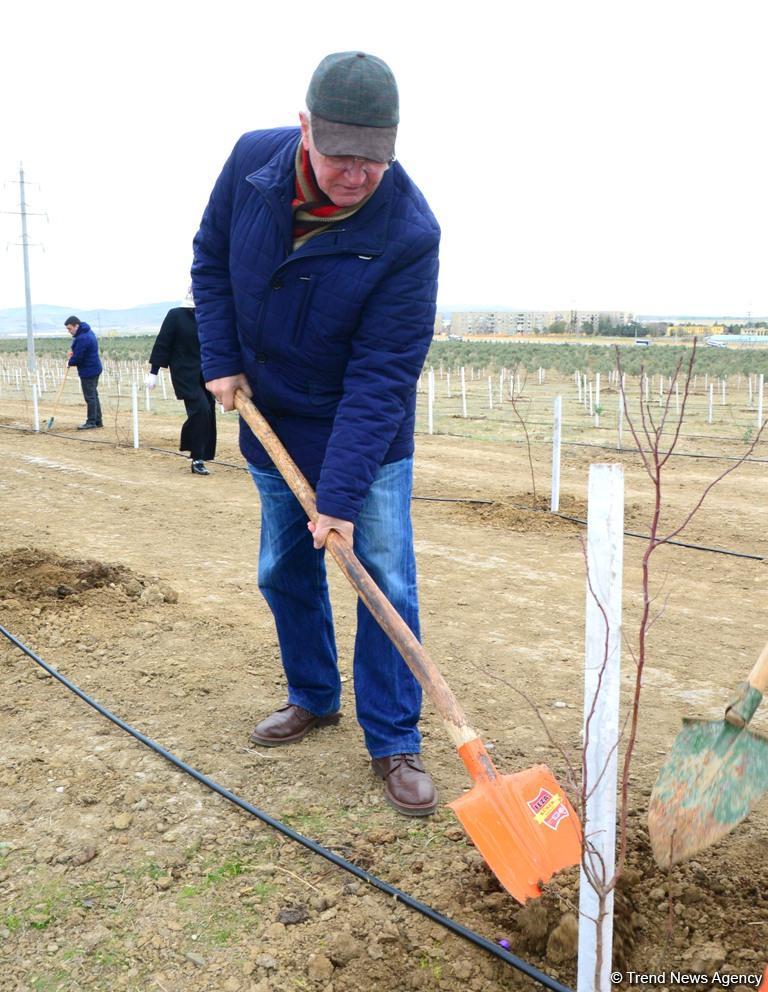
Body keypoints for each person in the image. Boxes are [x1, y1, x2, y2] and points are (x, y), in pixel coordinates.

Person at [192, 51, 440, 817]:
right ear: (305, 128)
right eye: (341, 156)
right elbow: (210, 261)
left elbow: (383, 376)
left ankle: (393, 737)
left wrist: (338, 497)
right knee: (283, 567)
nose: (357, 175)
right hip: (272, 416)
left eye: (375, 159)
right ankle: (313, 695)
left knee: (385, 581)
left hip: (362, 427)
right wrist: (221, 360)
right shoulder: (251, 162)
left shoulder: (410, 232)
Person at [146, 290, 216, 475]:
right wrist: (154, 371)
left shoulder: (207, 315)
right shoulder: (176, 315)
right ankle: (197, 457)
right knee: (201, 410)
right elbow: (163, 343)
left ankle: (200, 454)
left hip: (206, 374)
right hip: (184, 374)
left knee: (208, 412)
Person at [64, 316, 103, 429]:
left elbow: (78, 358)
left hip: (89, 370)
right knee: (94, 395)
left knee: (90, 397)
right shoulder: (87, 332)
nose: (69, 331)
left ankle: (91, 422)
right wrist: (74, 353)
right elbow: (80, 351)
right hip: (94, 368)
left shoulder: (83, 338)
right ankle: (97, 420)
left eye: (69, 328)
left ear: (76, 326)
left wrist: (70, 362)